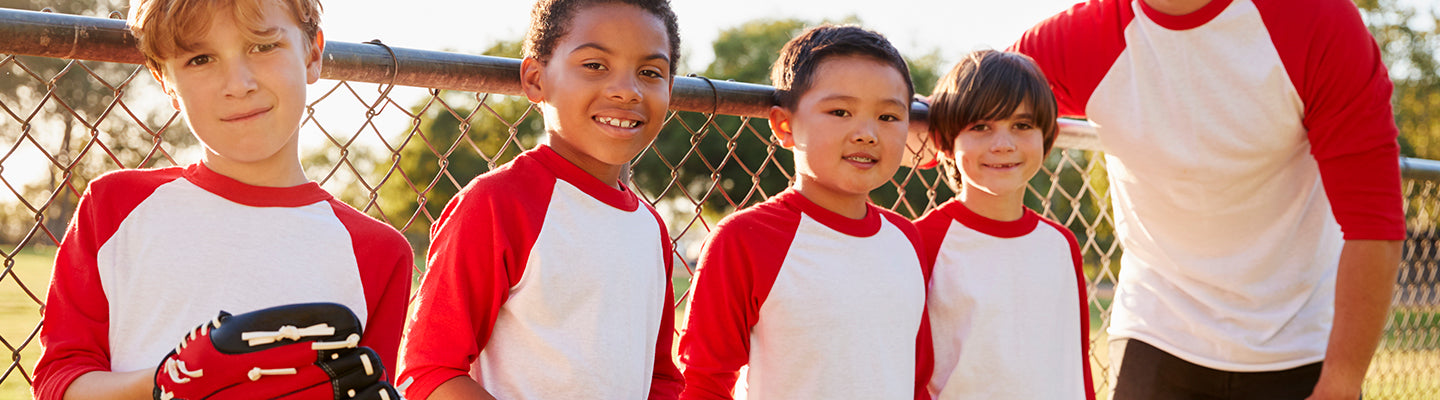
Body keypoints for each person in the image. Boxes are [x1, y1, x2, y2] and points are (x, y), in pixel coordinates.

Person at [1010, 0, 1406, 398]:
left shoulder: (1316, 21)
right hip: (1155, 333)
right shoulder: (1078, 38)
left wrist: (1340, 383)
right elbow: (962, 115)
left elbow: (1373, 224)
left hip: (1301, 343)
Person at [31, 0, 414, 399]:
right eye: (200, 59)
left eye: (263, 46)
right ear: (166, 82)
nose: (238, 83)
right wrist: (171, 381)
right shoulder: (115, 207)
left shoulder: (379, 254)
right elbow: (59, 384)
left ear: (313, 54)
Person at [393, 0, 685, 399]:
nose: (626, 91)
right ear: (535, 79)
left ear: (669, 89)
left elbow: (661, 380)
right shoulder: (497, 204)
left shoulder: (651, 228)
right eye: (595, 65)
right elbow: (428, 372)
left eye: (650, 73)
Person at [677, 24, 931, 400]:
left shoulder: (908, 239)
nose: (867, 133)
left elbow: (916, 379)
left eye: (888, 117)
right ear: (784, 125)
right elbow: (703, 384)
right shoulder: (744, 240)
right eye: (840, 111)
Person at [915, 49, 1094, 400]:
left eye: (1022, 126)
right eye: (981, 127)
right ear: (945, 143)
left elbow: (1075, 365)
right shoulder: (921, 241)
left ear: (1048, 138)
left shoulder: (1061, 244)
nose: (1003, 144)